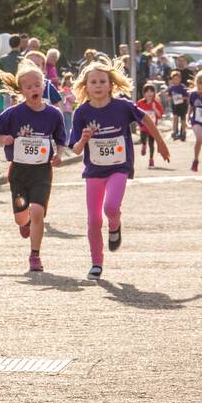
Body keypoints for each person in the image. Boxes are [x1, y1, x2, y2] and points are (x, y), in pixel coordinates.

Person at [70, 61, 168, 279]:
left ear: (111, 85)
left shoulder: (122, 107)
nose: (98, 85)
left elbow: (146, 119)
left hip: (119, 168)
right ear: (85, 86)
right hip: (94, 171)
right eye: (93, 82)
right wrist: (83, 140)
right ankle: (96, 262)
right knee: (94, 220)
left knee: (111, 207)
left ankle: (115, 225)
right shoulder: (81, 113)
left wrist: (160, 142)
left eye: (102, 81)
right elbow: (75, 149)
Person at [0, 61, 66, 272]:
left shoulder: (54, 114)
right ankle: (25, 224)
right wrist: (5, 139)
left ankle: (35, 255)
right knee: (21, 217)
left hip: (42, 171)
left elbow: (61, 139)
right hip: (19, 172)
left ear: (44, 86)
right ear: (22, 90)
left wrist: (59, 155)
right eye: (28, 86)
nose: (34, 89)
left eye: (37, 85)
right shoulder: (12, 114)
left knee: (37, 211)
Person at [136, 84, 165, 168]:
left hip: (152, 127)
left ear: (154, 93)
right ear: (144, 93)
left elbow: (159, 115)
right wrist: (138, 122)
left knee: (151, 144)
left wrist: (154, 108)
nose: (149, 93)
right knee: (143, 138)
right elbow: (136, 114)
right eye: (147, 91)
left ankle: (151, 159)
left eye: (151, 91)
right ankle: (144, 145)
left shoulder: (156, 103)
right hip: (143, 126)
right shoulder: (140, 103)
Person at [167, 70, 189, 141]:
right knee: (175, 118)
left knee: (183, 119)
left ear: (180, 79)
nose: (175, 80)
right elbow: (169, 96)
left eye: (177, 79)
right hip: (175, 105)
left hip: (182, 105)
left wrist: (181, 98)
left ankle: (183, 132)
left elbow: (187, 96)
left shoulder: (183, 87)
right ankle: (175, 132)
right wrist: (169, 98)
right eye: (174, 79)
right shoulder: (171, 88)